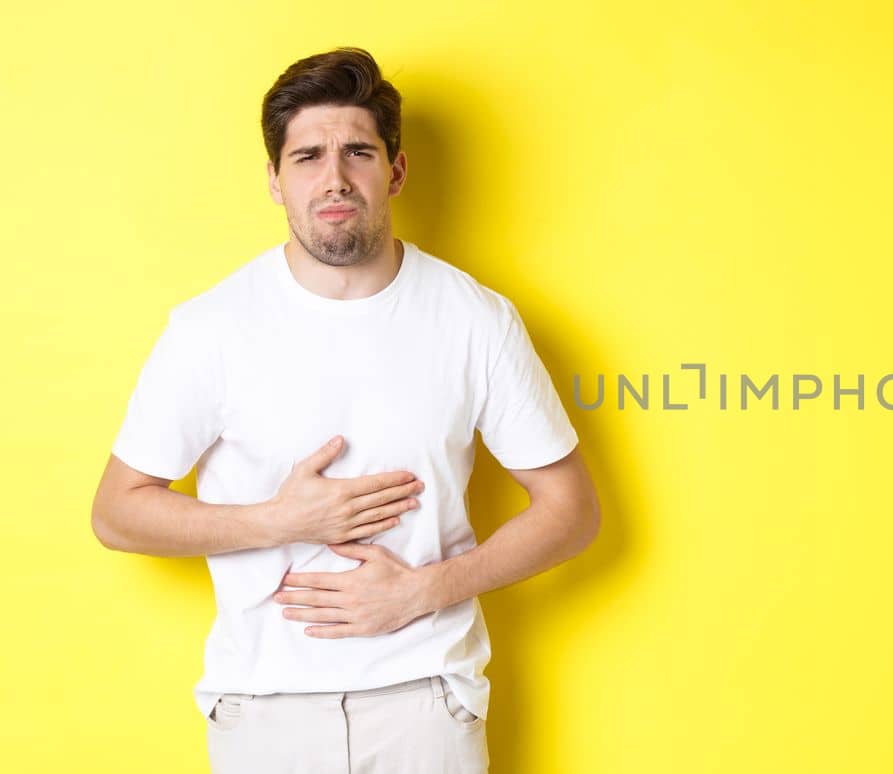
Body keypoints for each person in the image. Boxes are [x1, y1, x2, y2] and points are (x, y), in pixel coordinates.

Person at [89, 47, 601, 773]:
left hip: (426, 702)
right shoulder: (209, 329)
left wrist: (425, 591)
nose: (334, 178)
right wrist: (282, 520)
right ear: (275, 180)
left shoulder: (475, 318)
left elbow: (571, 509)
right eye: (307, 156)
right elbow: (116, 513)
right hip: (262, 708)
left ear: (394, 170)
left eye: (357, 151)